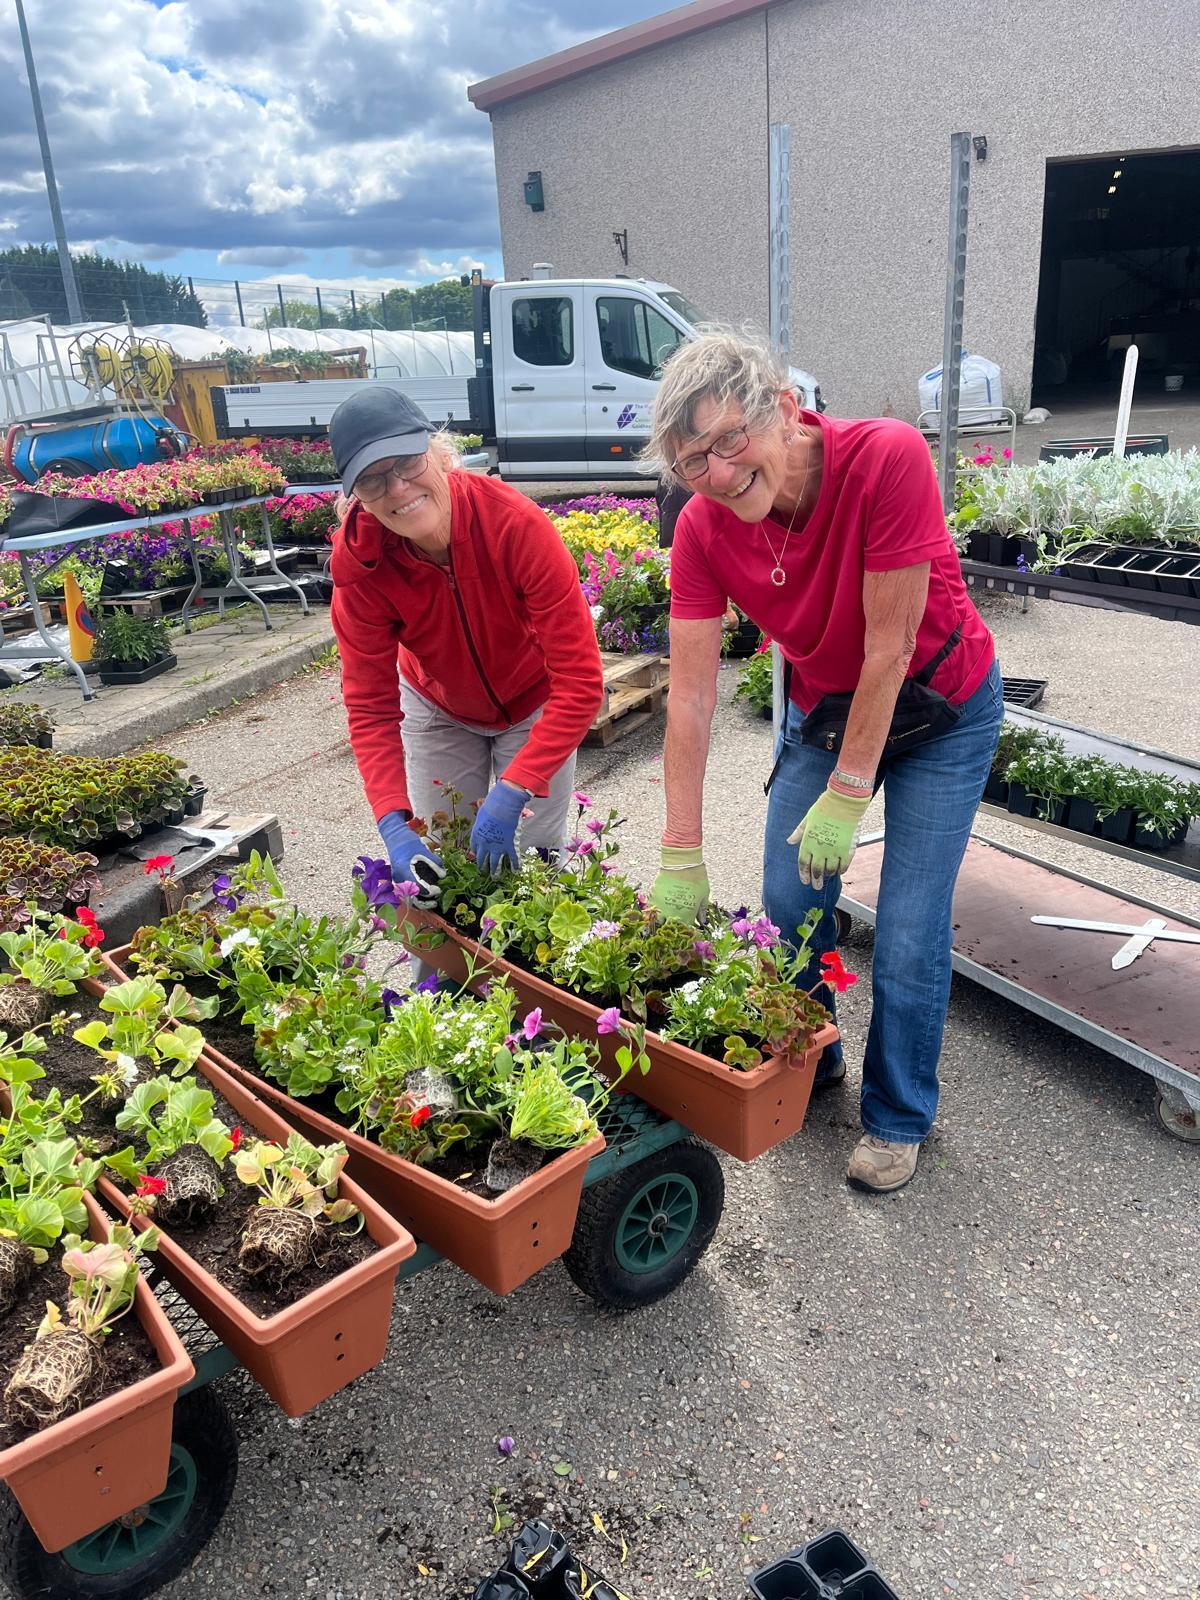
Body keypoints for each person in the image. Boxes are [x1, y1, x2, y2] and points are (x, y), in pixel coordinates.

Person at [643, 332, 1001, 1194]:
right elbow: (690, 697)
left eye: (732, 440)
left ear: (785, 410)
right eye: (694, 461)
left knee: (910, 928)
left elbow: (890, 648)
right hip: (829, 709)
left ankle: (898, 1115)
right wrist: (680, 847)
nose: (720, 474)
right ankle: (816, 1051)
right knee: (786, 894)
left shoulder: (885, 457)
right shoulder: (701, 528)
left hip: (941, 703)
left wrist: (848, 795)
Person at [327, 388, 604, 897]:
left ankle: (530, 978)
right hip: (437, 710)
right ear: (356, 496)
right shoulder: (362, 574)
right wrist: (392, 822)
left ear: (437, 451)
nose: (397, 488)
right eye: (371, 479)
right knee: (440, 874)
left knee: (536, 869)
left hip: (534, 701)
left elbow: (581, 682)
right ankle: (443, 978)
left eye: (407, 462)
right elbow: (370, 709)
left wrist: (514, 791)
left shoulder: (514, 527)